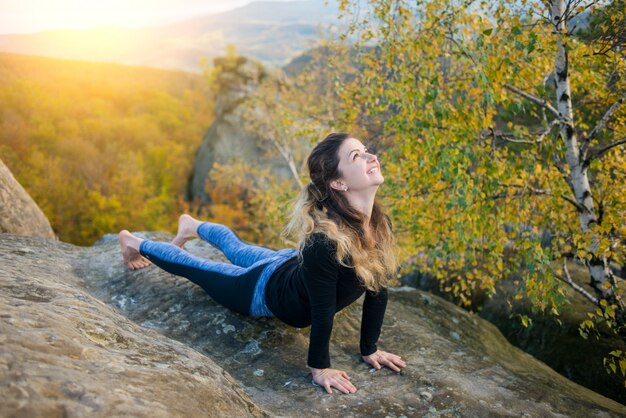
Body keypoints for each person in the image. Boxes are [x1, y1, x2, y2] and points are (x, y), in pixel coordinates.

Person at [118, 132, 407, 394]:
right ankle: (133, 242)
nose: (372, 157)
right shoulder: (324, 244)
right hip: (262, 288)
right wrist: (320, 369)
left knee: (236, 247)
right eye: (357, 156)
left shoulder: (380, 226)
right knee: (195, 267)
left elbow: (377, 288)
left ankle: (192, 225)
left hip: (288, 265)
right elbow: (321, 311)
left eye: (366, 150)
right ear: (338, 183)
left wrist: (370, 349)